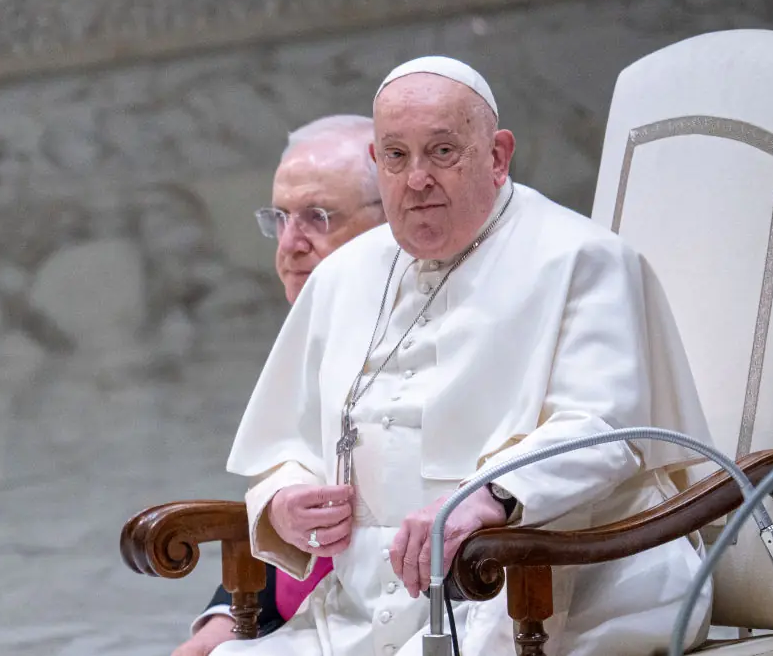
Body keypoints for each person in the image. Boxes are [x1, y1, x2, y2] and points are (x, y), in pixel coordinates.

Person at [216, 57, 714, 656]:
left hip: (554, 593)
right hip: (361, 615)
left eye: (443, 151)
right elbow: (284, 444)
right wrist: (284, 501)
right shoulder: (341, 276)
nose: (417, 178)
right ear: (377, 163)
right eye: (396, 156)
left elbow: (608, 430)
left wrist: (488, 495)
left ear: (498, 155)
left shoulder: (582, 260)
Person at [174, 114, 387, 656]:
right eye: (280, 218)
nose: (290, 245)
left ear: (393, 218)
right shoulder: (310, 333)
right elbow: (291, 493)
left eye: (318, 217)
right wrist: (223, 618)